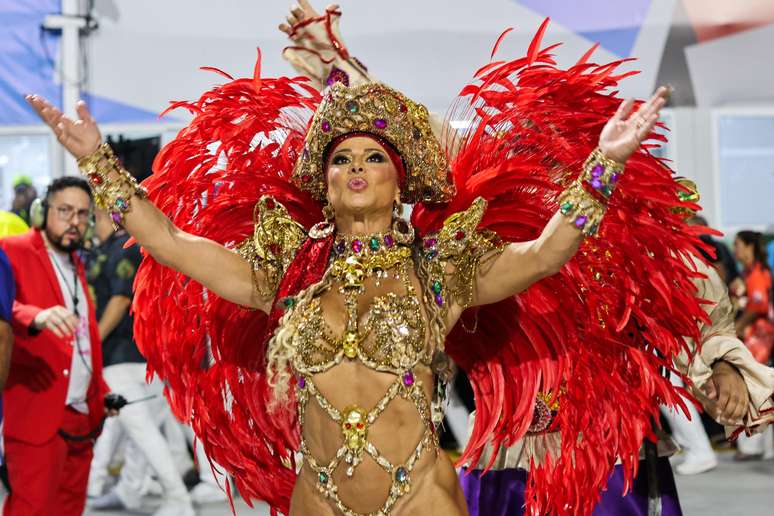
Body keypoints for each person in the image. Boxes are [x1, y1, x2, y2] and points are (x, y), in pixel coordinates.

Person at [26, 2, 709, 514]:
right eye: (341, 158)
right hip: (318, 500)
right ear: (322, 181)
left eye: (373, 156)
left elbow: (545, 251)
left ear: (399, 179)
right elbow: (170, 241)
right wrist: (96, 159)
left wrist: (604, 165)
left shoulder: (440, 270)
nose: (355, 166)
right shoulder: (287, 273)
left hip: (422, 500)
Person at [460, 180, 774, 515]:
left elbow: (693, 304)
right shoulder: (482, 204)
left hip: (611, 457)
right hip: (505, 460)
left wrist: (722, 363)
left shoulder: (628, 211)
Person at [0, 176, 113, 516]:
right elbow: (4, 309)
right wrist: (34, 315)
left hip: (81, 414)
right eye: (65, 211)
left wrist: (101, 391)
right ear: (42, 211)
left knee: (70, 509)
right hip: (36, 411)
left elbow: (85, 337)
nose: (74, 221)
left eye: (82, 213)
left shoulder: (76, 260)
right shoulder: (13, 249)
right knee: (32, 509)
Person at [85, 207, 194, 515]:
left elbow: (120, 300)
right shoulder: (113, 249)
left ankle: (178, 499)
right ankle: (129, 492)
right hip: (144, 358)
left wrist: (93, 342)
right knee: (135, 433)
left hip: (123, 358)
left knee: (142, 432)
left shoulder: (123, 249)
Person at [732, 230, 774, 460]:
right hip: (754, 336)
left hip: (758, 337)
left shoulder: (757, 272)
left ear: (749, 247)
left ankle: (754, 445)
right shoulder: (748, 272)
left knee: (753, 387)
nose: (735, 249)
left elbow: (759, 305)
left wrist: (738, 325)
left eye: (738, 244)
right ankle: (763, 445)